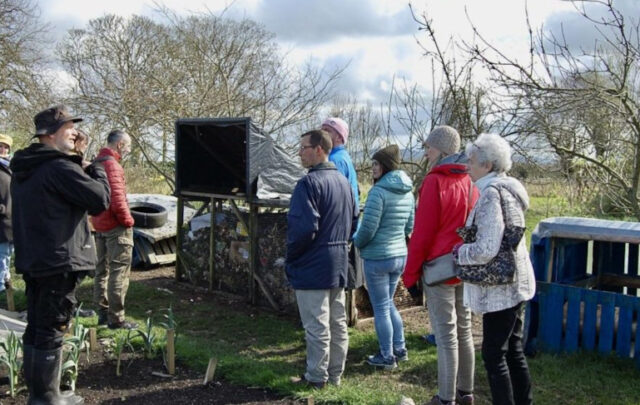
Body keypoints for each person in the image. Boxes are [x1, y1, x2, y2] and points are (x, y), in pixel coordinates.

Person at [11, 105, 110, 405]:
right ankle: (47, 398)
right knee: (53, 329)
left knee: (38, 327)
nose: (76, 132)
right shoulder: (58, 167)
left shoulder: (26, 166)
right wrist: (96, 166)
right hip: (59, 261)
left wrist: (76, 157)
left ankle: (40, 396)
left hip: (36, 258)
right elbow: (99, 199)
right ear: (50, 134)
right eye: (69, 127)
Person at [454, 133, 536, 405]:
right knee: (512, 350)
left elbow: (487, 247)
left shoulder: (490, 194)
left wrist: (459, 252)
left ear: (487, 166)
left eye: (472, 161)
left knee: (493, 354)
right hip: (517, 281)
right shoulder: (508, 188)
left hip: (501, 287)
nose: (467, 165)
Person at [403, 126, 478, 405]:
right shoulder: (469, 182)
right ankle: (466, 393)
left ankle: (445, 398)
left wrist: (410, 275)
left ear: (443, 151)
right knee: (465, 331)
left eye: (429, 148)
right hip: (463, 266)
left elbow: (422, 234)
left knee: (446, 336)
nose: (426, 153)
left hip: (438, 268)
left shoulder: (435, 182)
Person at [286, 129, 358, 389]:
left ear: (319, 149)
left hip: (312, 263)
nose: (300, 152)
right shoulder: (344, 182)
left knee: (317, 326)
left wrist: (291, 257)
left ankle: (316, 378)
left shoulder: (308, 184)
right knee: (337, 324)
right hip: (339, 262)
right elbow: (353, 223)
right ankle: (335, 376)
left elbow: (303, 228)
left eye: (304, 147)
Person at [353, 144, 414, 370]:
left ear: (386, 166)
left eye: (376, 164)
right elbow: (410, 226)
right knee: (388, 304)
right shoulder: (408, 191)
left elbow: (368, 229)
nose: (373, 168)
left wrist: (356, 242)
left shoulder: (378, 192)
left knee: (380, 307)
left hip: (378, 257)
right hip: (399, 255)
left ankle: (387, 357)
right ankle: (400, 348)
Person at [91, 130, 137, 330]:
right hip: (115, 225)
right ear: (119, 145)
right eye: (127, 146)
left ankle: (101, 313)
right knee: (119, 270)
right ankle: (116, 318)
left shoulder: (96, 163)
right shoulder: (113, 166)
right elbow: (118, 199)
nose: (128, 150)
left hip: (99, 223)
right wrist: (128, 221)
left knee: (101, 270)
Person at [0, 134, 12, 293]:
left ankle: (5, 286)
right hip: (2, 218)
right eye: (0, 145)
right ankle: (1, 291)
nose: (3, 149)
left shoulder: (11, 166)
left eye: (5, 146)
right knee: (1, 256)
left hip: (12, 219)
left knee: (8, 255)